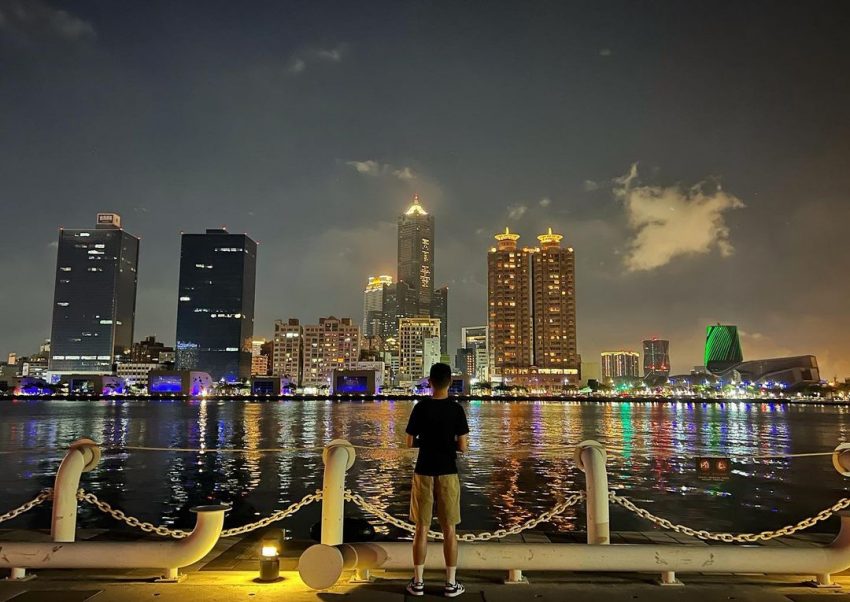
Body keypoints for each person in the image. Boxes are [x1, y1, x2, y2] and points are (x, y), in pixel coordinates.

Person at [404, 362, 470, 598]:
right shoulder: (456, 409)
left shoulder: (420, 408)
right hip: (448, 471)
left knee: (421, 528)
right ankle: (451, 583)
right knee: (449, 530)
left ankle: (418, 582)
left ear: (429, 382)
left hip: (424, 471)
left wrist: (428, 443)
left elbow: (410, 442)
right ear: (450, 383)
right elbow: (463, 446)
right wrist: (447, 444)